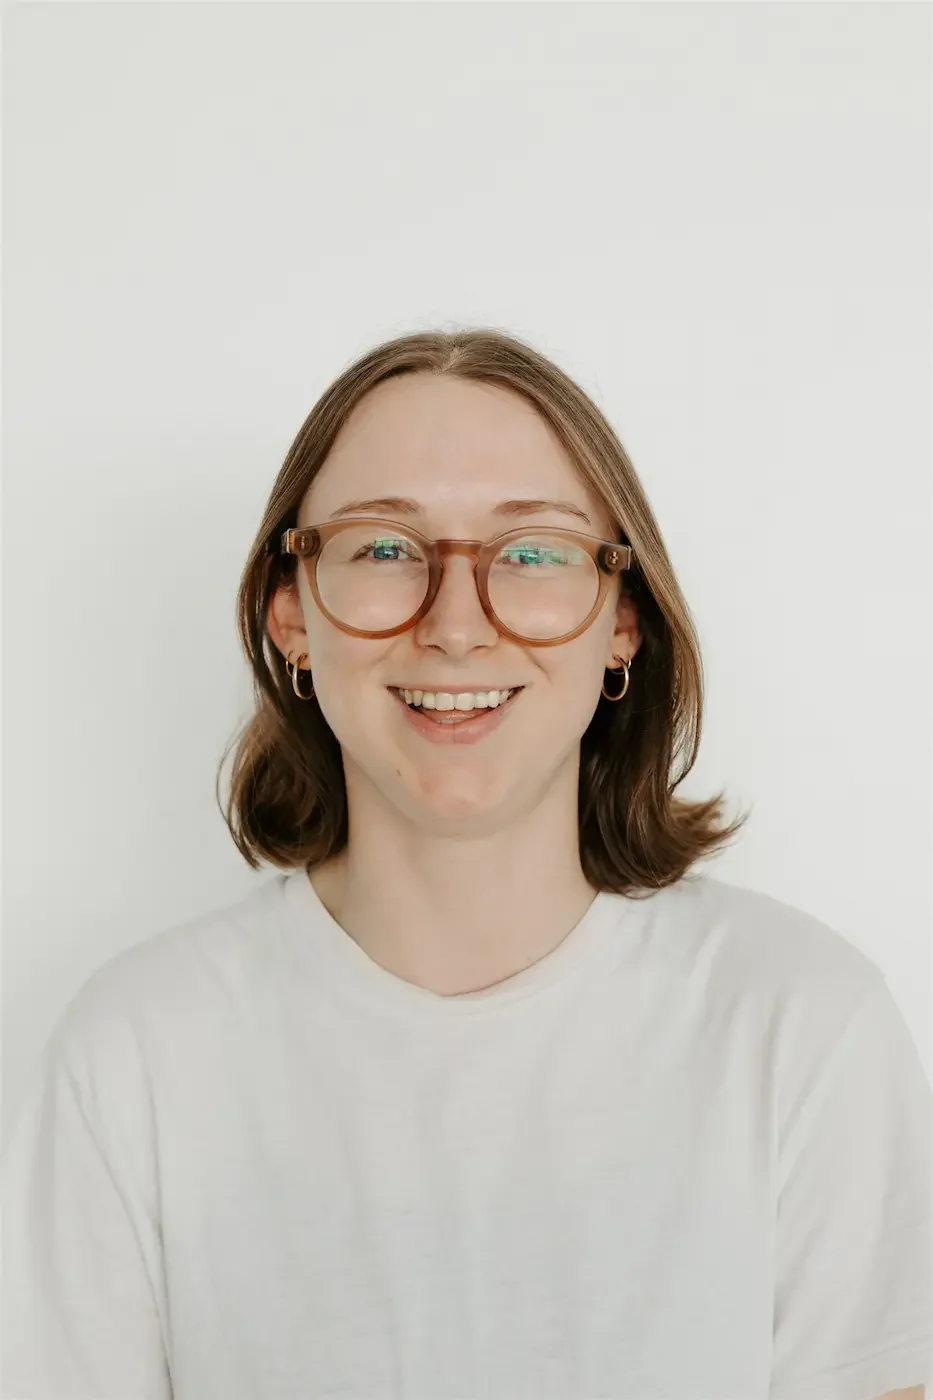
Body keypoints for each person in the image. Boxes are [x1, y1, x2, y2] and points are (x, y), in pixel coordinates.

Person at [2, 328, 930, 1400]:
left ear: (621, 620)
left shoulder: (800, 1024)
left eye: (530, 551)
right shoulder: (134, 1056)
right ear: (292, 615)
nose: (454, 625)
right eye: (385, 547)